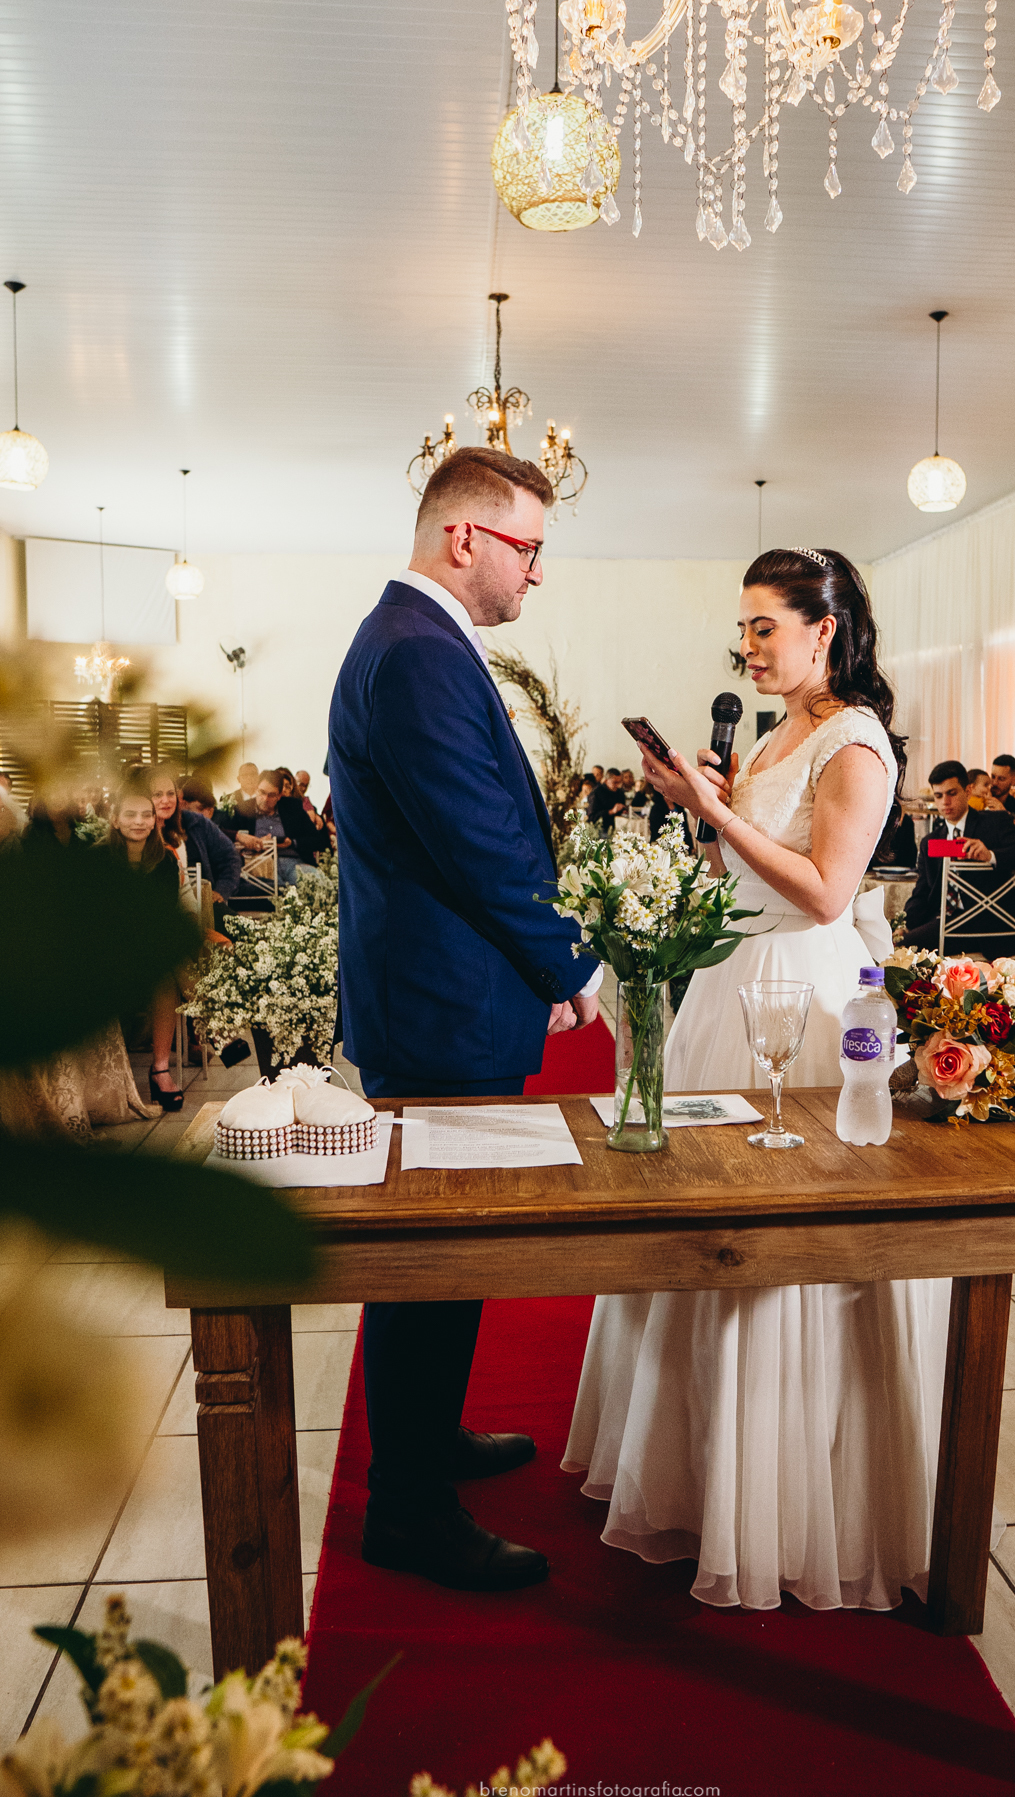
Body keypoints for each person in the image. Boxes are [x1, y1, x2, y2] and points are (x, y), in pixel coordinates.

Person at [564, 544, 952, 1615]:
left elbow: (829, 894)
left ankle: (789, 1495)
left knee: (778, 1246)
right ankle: (695, 1471)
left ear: (825, 629)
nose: (748, 646)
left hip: (800, 998)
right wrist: (699, 805)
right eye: (743, 628)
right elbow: (745, 864)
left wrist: (718, 809)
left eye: (765, 626)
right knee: (700, 1229)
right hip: (733, 977)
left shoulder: (856, 742)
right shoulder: (786, 730)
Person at [328, 443, 601, 1594]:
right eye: (528, 548)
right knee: (431, 1252)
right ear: (465, 537)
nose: (536, 574)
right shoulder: (418, 650)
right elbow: (478, 844)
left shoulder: (419, 641)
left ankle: (426, 1442)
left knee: (451, 1250)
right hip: (441, 1005)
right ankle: (410, 1511)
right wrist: (569, 963)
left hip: (439, 994)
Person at [901, 760, 1015, 954]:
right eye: (939, 796)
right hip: (948, 926)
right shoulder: (931, 842)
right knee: (900, 944)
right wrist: (906, 924)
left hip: (993, 928)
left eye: (952, 793)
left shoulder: (993, 824)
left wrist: (991, 856)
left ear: (968, 791)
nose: (945, 802)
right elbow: (922, 894)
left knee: (907, 947)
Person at [104, 782, 186, 1111]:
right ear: (114, 819)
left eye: (145, 815)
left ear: (155, 820)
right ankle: (215, 1028)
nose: (139, 822)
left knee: (165, 974)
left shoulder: (163, 862)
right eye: (130, 814)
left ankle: (160, 1069)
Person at [179, 778, 241, 904]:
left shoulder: (199, 823)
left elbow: (230, 857)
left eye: (170, 794)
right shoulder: (145, 828)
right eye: (158, 795)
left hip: (204, 898)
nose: (165, 800)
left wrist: (221, 891)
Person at [234, 769, 299, 885]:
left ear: (279, 795)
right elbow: (231, 840)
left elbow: (317, 839)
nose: (265, 799)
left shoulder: (291, 807)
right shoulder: (242, 810)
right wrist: (255, 844)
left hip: (292, 861)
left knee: (317, 883)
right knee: (275, 889)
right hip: (259, 863)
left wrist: (292, 842)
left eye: (271, 795)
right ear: (256, 789)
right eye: (262, 792)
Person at [587, 768, 627, 834]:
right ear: (606, 781)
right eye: (614, 782)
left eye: (619, 782)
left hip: (618, 828)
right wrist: (611, 811)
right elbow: (592, 817)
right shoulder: (596, 793)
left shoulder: (620, 792)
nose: (618, 785)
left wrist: (624, 811)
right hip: (600, 830)